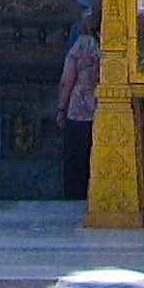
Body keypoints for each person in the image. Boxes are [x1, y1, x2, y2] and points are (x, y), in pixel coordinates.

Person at [56, 16, 100, 200]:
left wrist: (61, 108)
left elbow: (68, 80)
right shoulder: (109, 45)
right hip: (104, 107)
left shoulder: (80, 46)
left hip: (78, 110)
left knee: (77, 159)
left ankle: (76, 196)